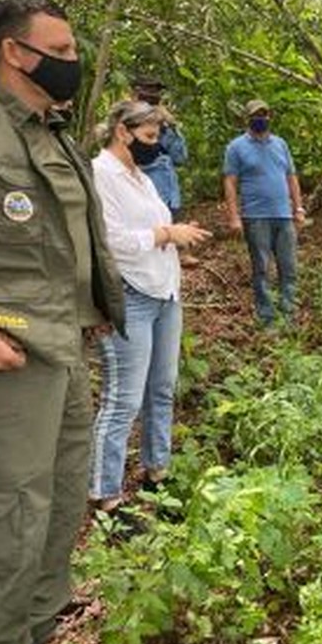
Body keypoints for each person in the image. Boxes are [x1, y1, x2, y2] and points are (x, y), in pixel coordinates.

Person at [0, 0, 125, 644]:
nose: (72, 63)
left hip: (63, 353)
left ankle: (32, 636)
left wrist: (94, 310)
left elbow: (62, 245)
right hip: (4, 359)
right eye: (60, 52)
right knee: (5, 522)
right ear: (15, 52)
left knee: (59, 511)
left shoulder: (52, 135)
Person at [89, 101, 210, 525]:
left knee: (161, 389)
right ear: (123, 131)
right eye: (149, 137)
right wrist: (166, 233)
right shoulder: (100, 174)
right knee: (122, 399)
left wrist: (175, 237)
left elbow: (151, 231)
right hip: (128, 296)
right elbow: (108, 240)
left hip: (164, 293)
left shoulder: (141, 178)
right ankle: (106, 499)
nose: (155, 146)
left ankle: (156, 474)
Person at [223, 99, 306, 326]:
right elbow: (230, 182)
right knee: (262, 268)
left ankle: (288, 315)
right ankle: (267, 318)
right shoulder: (236, 147)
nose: (261, 118)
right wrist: (234, 216)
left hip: (284, 215)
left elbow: (291, 176)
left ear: (270, 116)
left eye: (264, 114)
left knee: (288, 267)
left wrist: (298, 207)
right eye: (256, 115)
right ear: (247, 119)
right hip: (255, 216)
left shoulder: (280, 144)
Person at [130, 75, 188, 221]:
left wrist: (170, 125)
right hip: (141, 203)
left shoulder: (164, 124)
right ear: (135, 95)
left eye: (155, 93)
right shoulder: (124, 125)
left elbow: (180, 158)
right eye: (147, 93)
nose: (151, 98)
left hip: (170, 199)